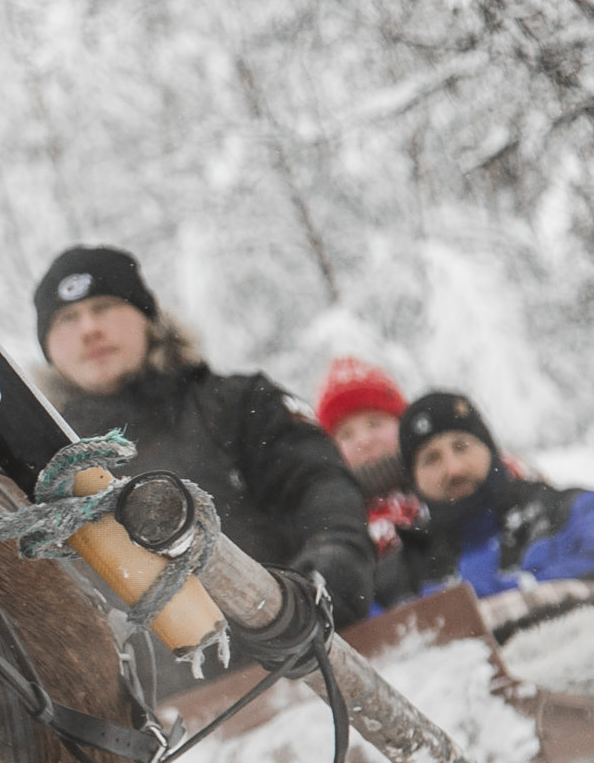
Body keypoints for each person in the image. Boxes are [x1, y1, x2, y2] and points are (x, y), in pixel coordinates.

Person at [34, 245, 373, 625]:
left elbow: (319, 488)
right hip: (145, 681)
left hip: (295, 644)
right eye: (66, 318)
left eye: (104, 307)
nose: (89, 329)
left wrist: (331, 563)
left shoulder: (241, 404)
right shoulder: (40, 467)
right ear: (47, 348)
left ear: (149, 318)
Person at [379, 390, 594, 606]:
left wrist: (480, 601)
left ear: (492, 450)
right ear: (413, 481)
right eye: (431, 459)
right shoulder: (399, 575)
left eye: (461, 447)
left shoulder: (570, 511)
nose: (453, 469)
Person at [314, 358, 421, 555]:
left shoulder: (442, 482)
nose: (364, 441)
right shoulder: (334, 524)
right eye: (346, 434)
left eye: (374, 423)